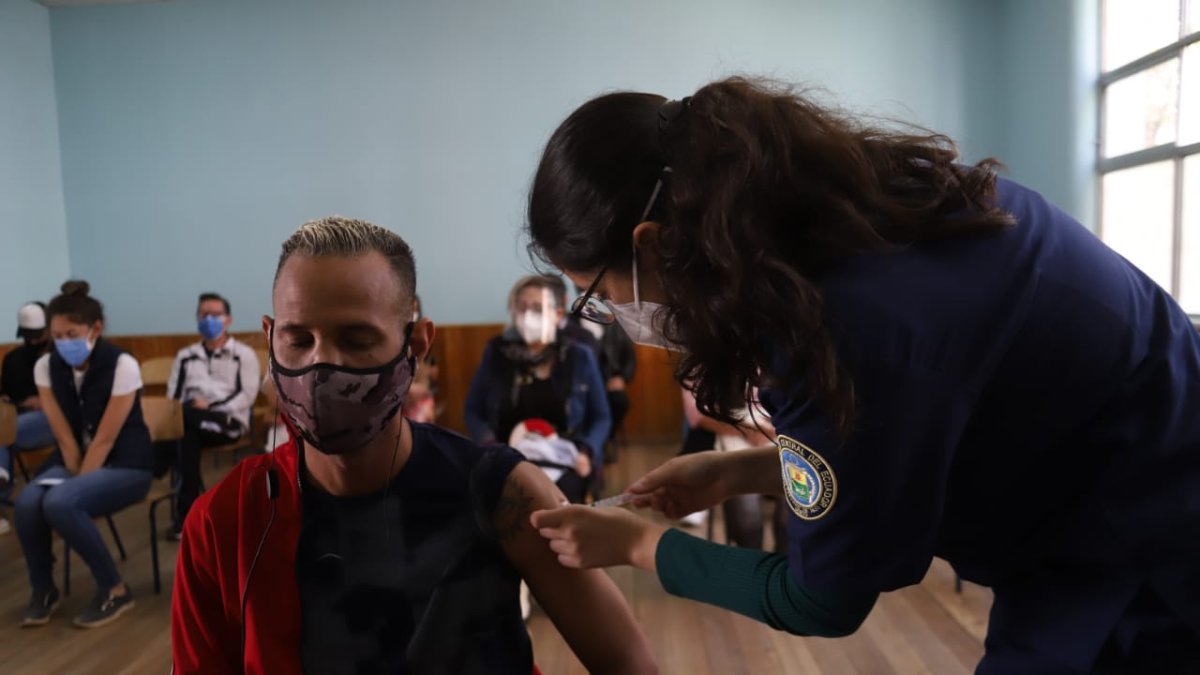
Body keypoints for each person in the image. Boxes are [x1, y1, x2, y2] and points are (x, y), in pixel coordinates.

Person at [525, 78, 1200, 672]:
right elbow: (907, 435)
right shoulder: (857, 203)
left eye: (598, 296)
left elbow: (820, 599)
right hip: (1110, 476)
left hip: (1146, 543)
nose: (611, 316)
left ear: (652, 243)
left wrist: (644, 546)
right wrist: (743, 472)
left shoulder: (832, 331)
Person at [171, 217, 655, 675]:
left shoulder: (500, 493)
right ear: (271, 337)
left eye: (356, 339)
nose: (321, 368)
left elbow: (628, 661)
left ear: (417, 345)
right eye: (299, 339)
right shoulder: (223, 522)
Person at [16, 281, 153, 628]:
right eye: (56, 335)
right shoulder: (45, 367)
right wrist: (71, 474)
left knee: (60, 502)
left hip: (128, 464)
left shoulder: (122, 364)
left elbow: (106, 438)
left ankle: (115, 590)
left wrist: (74, 486)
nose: (63, 343)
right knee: (28, 501)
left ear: (95, 329)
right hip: (73, 457)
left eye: (71, 334)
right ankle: (43, 589)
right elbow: (61, 431)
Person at [464, 275, 611, 503]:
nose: (529, 315)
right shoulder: (496, 353)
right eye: (522, 308)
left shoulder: (579, 356)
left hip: (564, 458)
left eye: (537, 308)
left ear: (558, 314)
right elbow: (473, 411)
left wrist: (586, 452)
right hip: (508, 457)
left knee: (559, 506)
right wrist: (490, 446)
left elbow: (601, 416)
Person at [164, 292, 260, 539]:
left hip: (228, 423)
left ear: (228, 320)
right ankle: (190, 512)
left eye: (215, 315)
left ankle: (183, 510)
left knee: (183, 430)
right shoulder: (185, 356)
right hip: (191, 422)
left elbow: (247, 396)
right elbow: (172, 398)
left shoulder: (243, 354)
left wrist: (210, 408)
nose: (209, 319)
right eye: (203, 314)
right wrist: (192, 409)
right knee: (186, 431)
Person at [1, 302, 57, 533]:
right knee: (4, 432)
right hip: (15, 419)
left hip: (52, 420)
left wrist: (45, 401)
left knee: (4, 433)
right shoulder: (14, 358)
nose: (33, 341)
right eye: (28, 336)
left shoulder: (60, 359)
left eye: (38, 336)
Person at [566, 286, 637, 464]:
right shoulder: (569, 323)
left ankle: (605, 438)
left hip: (608, 381)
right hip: (578, 384)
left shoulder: (615, 322)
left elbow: (629, 358)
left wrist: (621, 377)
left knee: (619, 401)